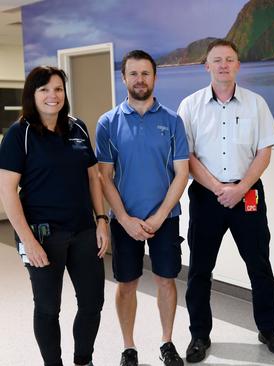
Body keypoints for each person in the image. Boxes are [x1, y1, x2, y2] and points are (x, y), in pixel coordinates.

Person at [177, 39, 274, 363]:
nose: (223, 65)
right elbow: (187, 155)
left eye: (229, 59)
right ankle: (199, 336)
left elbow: (264, 151)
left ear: (238, 65)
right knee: (199, 269)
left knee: (259, 266)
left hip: (248, 194)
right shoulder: (190, 105)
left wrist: (240, 187)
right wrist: (217, 188)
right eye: (217, 60)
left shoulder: (256, 104)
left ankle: (269, 329)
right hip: (206, 197)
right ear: (206, 66)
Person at [0, 66, 108, 366]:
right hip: (43, 235)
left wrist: (102, 219)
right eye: (44, 89)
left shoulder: (78, 128)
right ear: (32, 95)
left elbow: (93, 178)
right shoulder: (18, 135)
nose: (52, 95)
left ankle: (83, 359)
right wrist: (28, 241)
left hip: (84, 231)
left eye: (58, 89)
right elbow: (7, 191)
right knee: (48, 307)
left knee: (92, 303)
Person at [96, 50, 189, 366]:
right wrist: (124, 219)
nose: (139, 79)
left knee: (166, 280)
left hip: (166, 218)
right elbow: (104, 177)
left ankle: (166, 342)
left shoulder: (173, 120)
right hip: (125, 221)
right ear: (123, 78)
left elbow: (182, 173)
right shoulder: (108, 123)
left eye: (145, 73)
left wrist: (160, 215)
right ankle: (128, 347)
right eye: (133, 73)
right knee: (127, 283)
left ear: (155, 77)